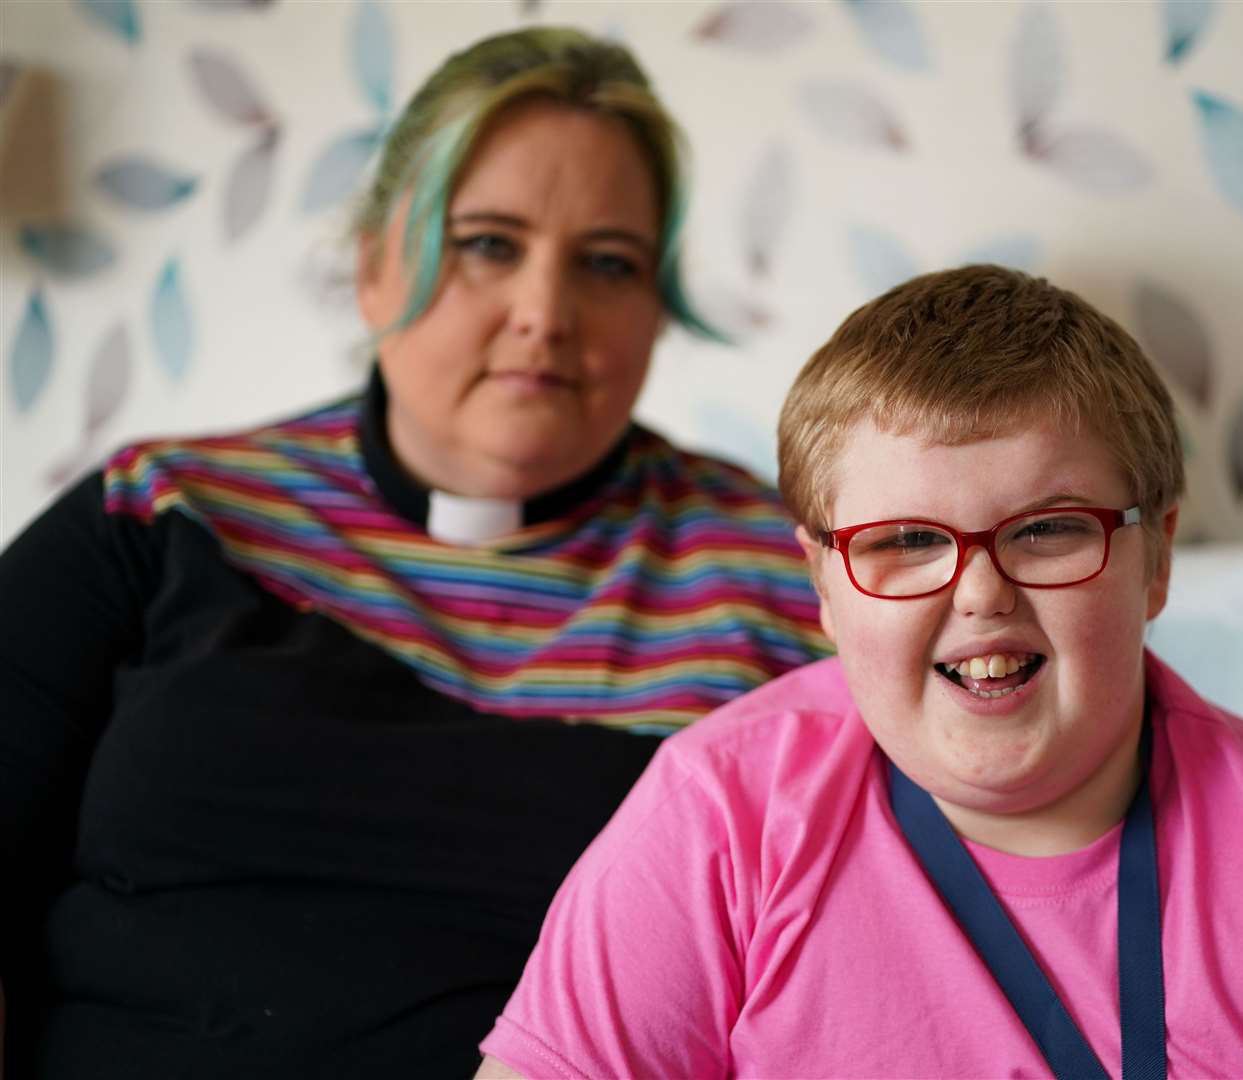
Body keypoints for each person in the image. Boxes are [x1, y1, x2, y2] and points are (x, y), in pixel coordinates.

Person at [477, 265, 1243, 1078]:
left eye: (1048, 529)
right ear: (824, 586)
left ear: (1154, 556)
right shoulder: (719, 820)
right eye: (905, 543)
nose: (979, 593)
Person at [0, 27, 829, 1078]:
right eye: (488, 243)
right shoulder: (164, 511)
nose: (545, 313)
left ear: (655, 312)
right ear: (374, 268)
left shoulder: (788, 579)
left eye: (608, 263)